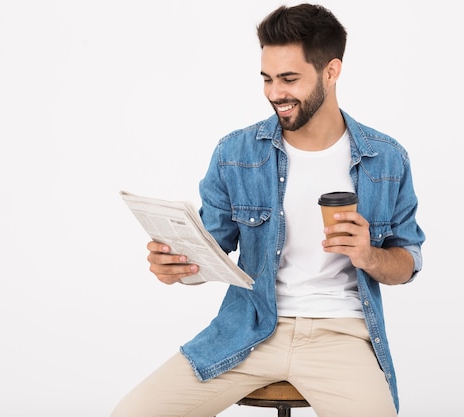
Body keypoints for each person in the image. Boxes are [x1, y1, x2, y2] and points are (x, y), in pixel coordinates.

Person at [111, 3, 425, 417]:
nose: (275, 93)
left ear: (331, 72)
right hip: (249, 328)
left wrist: (368, 255)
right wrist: (177, 266)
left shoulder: (386, 158)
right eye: (268, 78)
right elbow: (212, 248)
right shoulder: (236, 152)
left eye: (290, 79)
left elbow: (407, 262)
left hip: (340, 333)